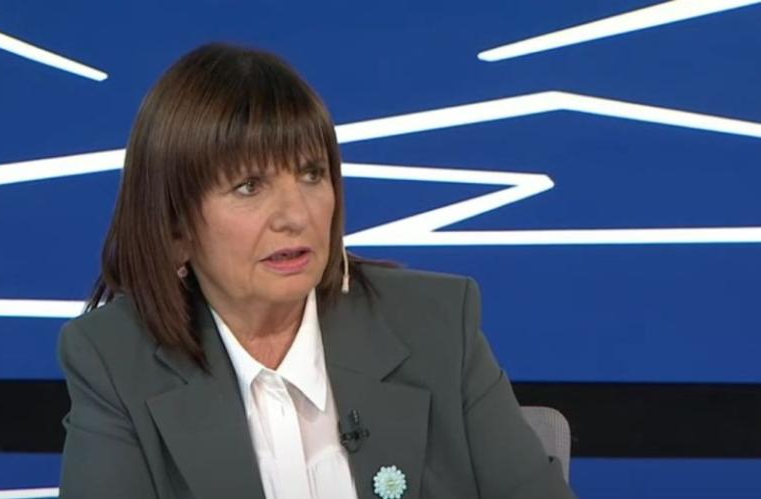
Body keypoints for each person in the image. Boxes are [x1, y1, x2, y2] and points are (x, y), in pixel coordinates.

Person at [57, 42, 575, 499]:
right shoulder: (114, 361)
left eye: (311, 174)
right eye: (249, 186)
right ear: (176, 225)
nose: (296, 216)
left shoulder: (435, 324)